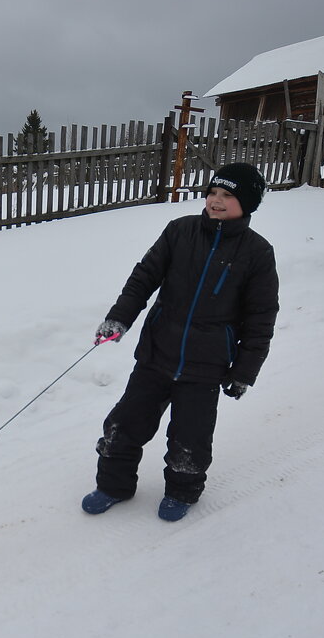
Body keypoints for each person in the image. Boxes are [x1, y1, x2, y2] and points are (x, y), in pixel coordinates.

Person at [82, 163, 279, 522]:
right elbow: (143, 279)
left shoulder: (257, 252)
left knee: (190, 438)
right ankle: (113, 485)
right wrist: (119, 317)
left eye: (228, 195)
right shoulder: (180, 231)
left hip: (206, 365)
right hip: (157, 353)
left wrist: (245, 371)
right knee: (123, 425)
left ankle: (182, 491)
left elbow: (261, 318)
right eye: (213, 192)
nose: (216, 201)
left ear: (246, 203)